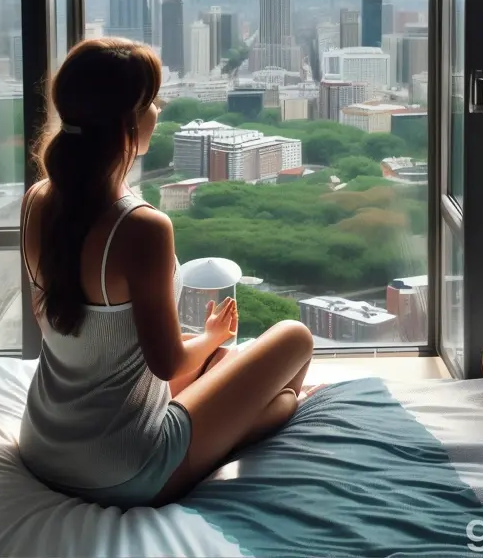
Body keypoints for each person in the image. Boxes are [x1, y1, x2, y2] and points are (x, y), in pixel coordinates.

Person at [18, 37, 314, 509]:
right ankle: (234, 434)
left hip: (43, 444)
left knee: (225, 371)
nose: (158, 109)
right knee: (294, 341)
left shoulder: (36, 201)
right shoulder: (140, 226)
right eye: (151, 101)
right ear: (128, 120)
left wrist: (209, 351)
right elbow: (168, 364)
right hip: (123, 468)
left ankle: (233, 417)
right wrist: (214, 336)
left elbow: (60, 323)